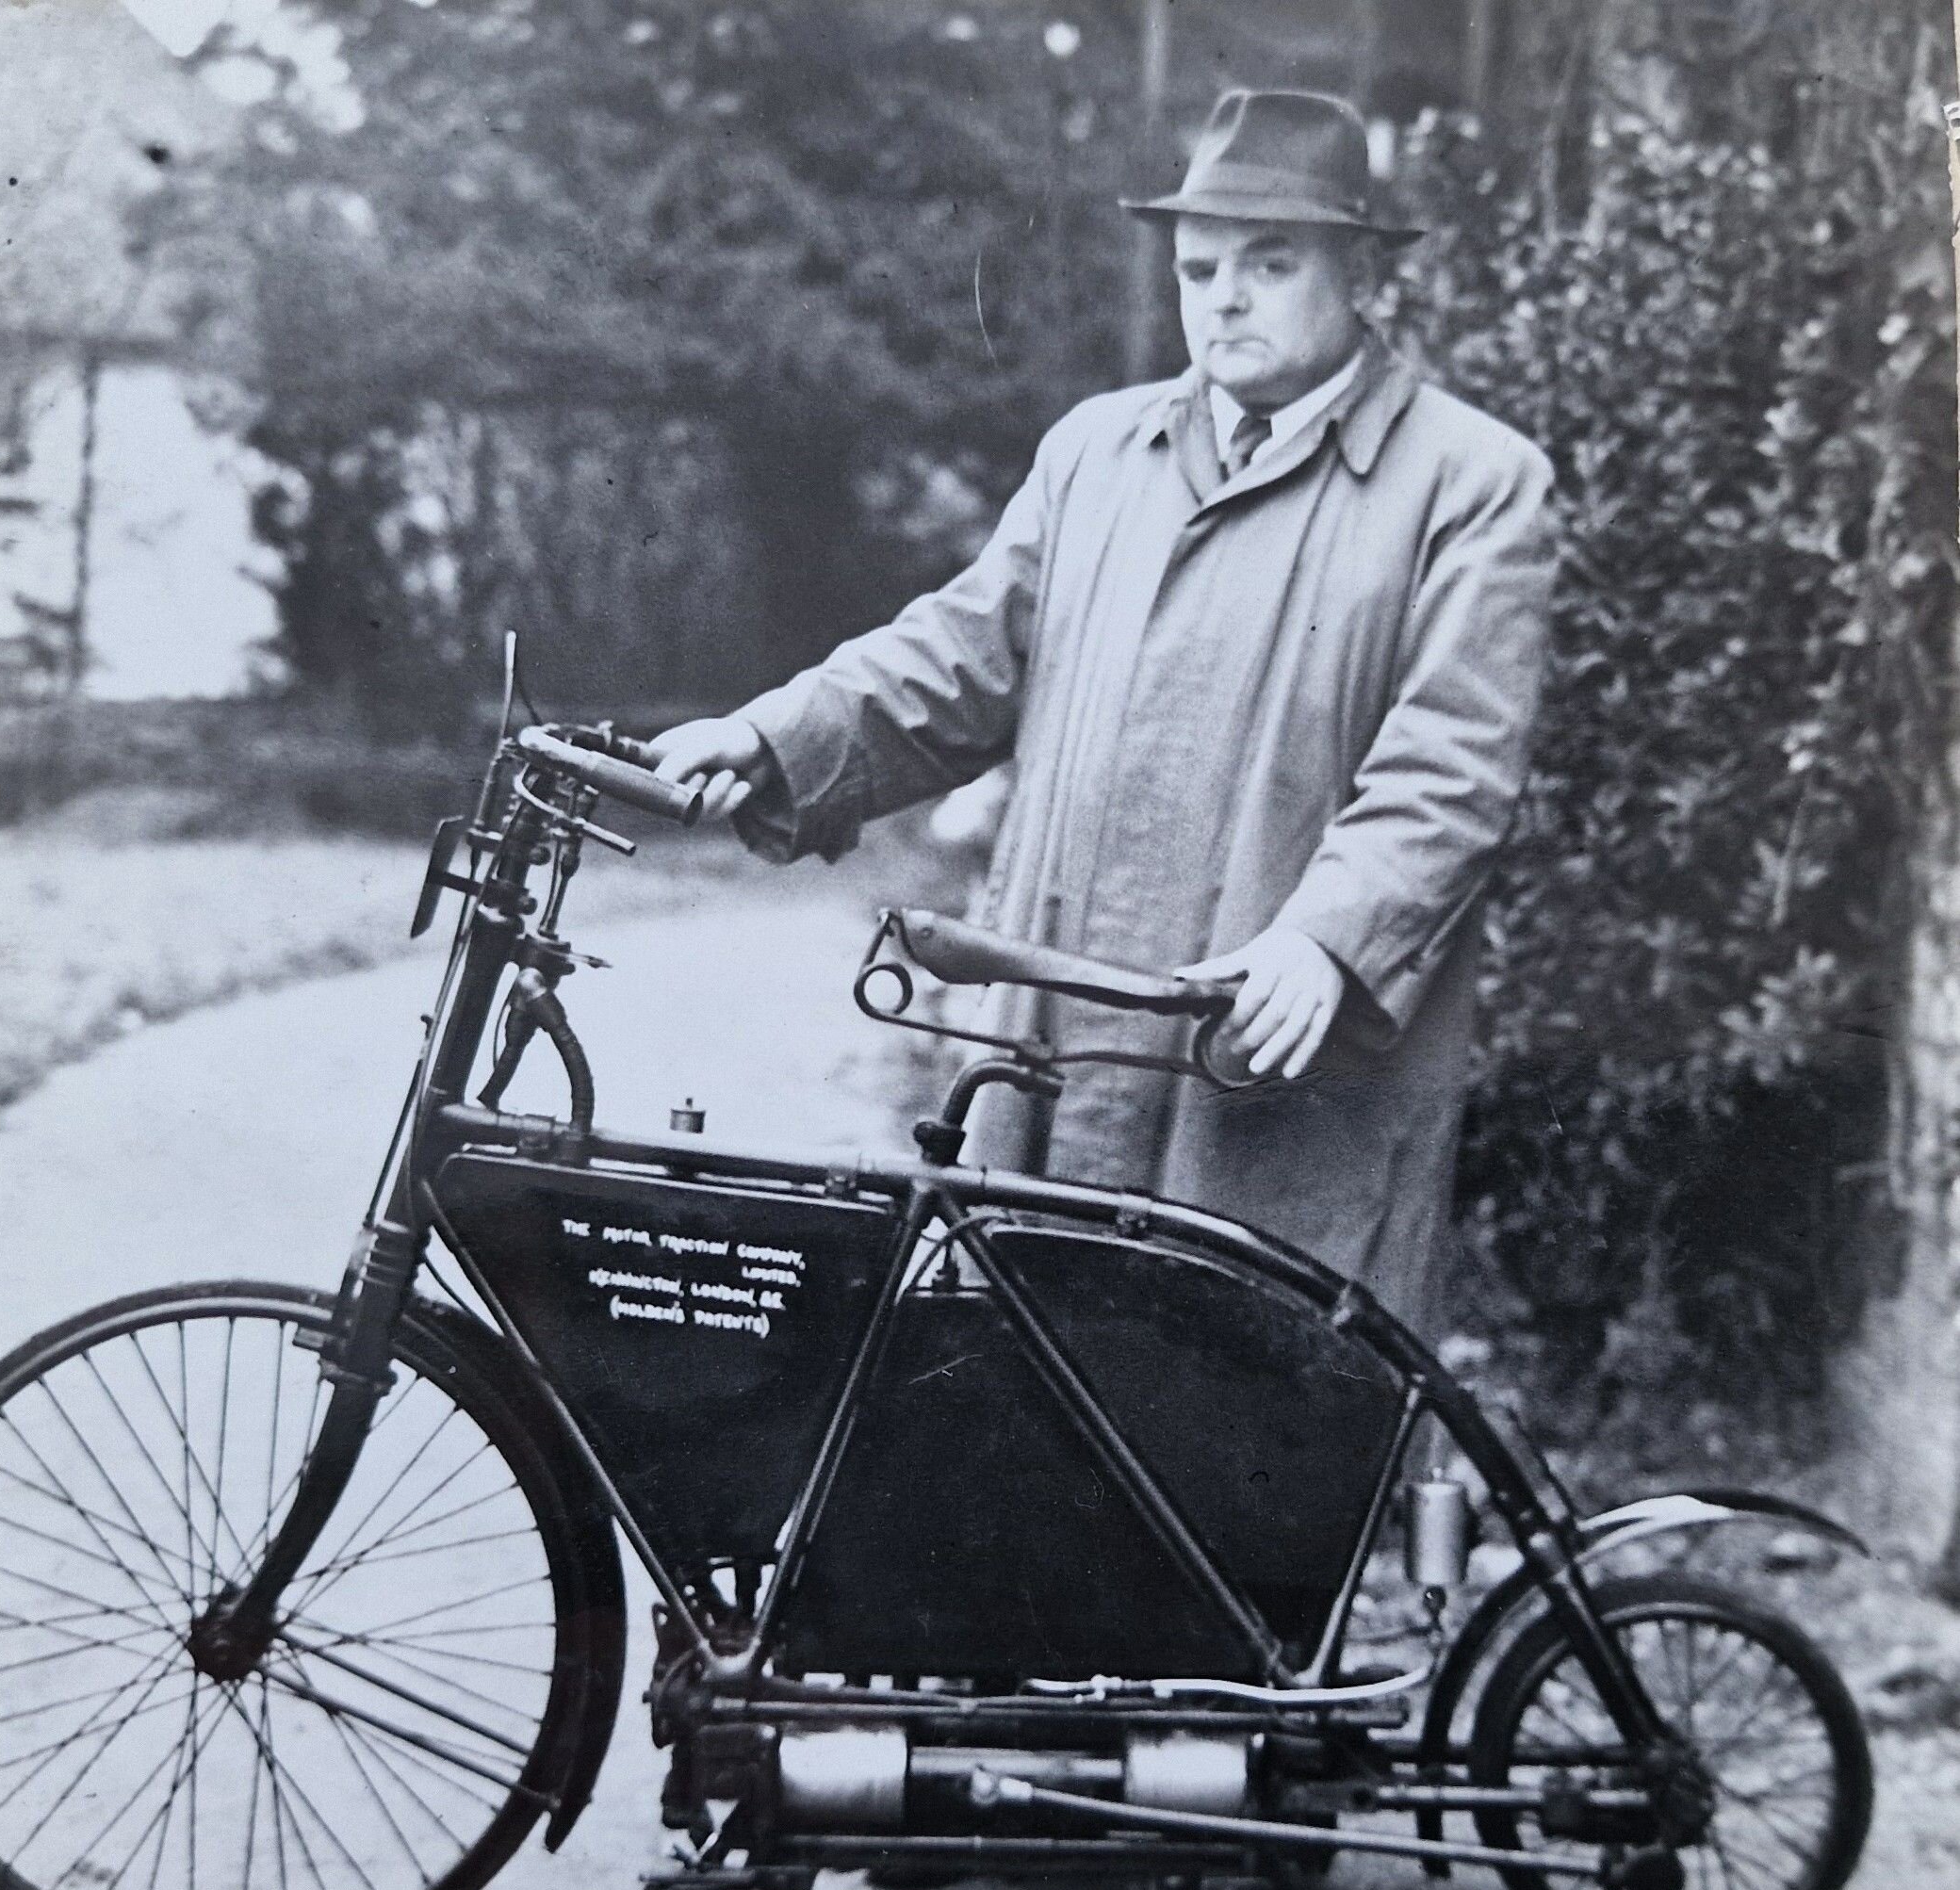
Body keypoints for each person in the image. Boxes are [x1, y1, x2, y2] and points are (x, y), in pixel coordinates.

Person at [649, 86, 1556, 1342]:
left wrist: (1329, 939)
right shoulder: (1095, 453)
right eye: (1198, 268)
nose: (1224, 298)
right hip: (1049, 1047)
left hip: (1264, 1061)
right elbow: (959, 654)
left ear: (1361, 277)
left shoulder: (1473, 483)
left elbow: (1452, 765)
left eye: (1270, 263)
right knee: (1015, 1386)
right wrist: (773, 734)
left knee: (1239, 1402)